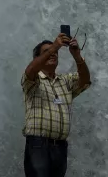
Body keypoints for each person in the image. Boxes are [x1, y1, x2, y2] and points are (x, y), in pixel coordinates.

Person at [21, 31, 91, 177]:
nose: (53, 54)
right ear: (38, 58)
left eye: (55, 52)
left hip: (60, 147)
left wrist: (77, 55)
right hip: (38, 145)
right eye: (47, 52)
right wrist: (54, 47)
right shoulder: (33, 80)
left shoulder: (65, 81)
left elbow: (85, 80)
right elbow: (30, 70)